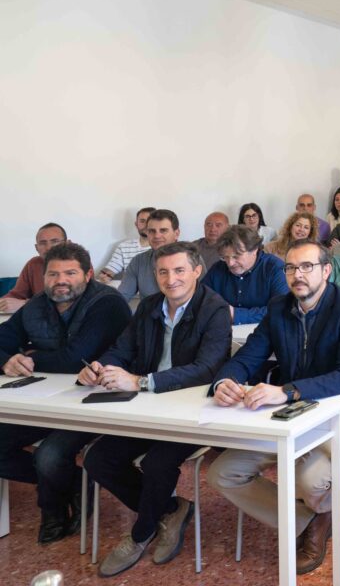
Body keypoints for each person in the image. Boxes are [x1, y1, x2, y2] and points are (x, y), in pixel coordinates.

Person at [208, 239, 340, 576]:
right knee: (223, 473)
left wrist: (287, 391)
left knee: (310, 480)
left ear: (326, 271)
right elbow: (249, 355)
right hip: (289, 416)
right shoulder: (278, 307)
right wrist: (225, 381)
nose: (297, 275)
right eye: (290, 267)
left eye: (306, 267)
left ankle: (319, 511)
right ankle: (309, 519)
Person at [79, 242, 231, 577]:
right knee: (98, 459)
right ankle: (171, 509)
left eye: (179, 270)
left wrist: (142, 381)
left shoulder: (215, 309)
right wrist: (100, 366)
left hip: (192, 411)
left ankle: (139, 534)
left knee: (157, 463)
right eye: (163, 271)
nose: (170, 278)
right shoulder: (149, 305)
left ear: (197, 271)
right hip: (147, 409)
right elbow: (122, 349)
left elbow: (207, 368)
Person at [0, 242, 130, 544]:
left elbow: (75, 359)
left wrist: (30, 357)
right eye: (53, 274)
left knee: (49, 456)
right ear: (43, 277)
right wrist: (6, 360)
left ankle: (52, 511)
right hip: (43, 402)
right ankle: (76, 482)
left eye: (70, 273)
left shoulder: (108, 303)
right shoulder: (36, 305)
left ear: (88, 275)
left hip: (96, 401)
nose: (61, 281)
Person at [205, 225, 289, 325]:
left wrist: (236, 315)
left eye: (236, 256)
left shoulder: (275, 268)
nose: (230, 263)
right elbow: (201, 300)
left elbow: (280, 309)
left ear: (254, 250)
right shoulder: (218, 268)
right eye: (225, 257)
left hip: (265, 330)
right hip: (223, 330)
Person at [0, 223, 67, 313]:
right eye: (43, 243)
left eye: (55, 241)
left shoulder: (79, 264)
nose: (48, 248)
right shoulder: (33, 264)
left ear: (67, 244)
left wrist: (26, 304)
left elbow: (71, 303)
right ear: (36, 248)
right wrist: (3, 303)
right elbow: (16, 295)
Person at [119, 209, 181, 301]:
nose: (157, 236)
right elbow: (122, 297)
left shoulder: (192, 259)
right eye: (152, 231)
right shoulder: (138, 261)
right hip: (148, 310)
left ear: (176, 233)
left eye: (163, 230)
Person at [98, 207, 154, 282]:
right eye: (142, 221)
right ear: (136, 224)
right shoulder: (124, 246)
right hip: (129, 288)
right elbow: (110, 270)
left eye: (150, 221)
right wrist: (105, 276)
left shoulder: (164, 247)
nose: (146, 225)